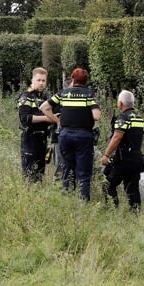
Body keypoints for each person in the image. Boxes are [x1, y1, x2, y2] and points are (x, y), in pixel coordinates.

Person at [41, 67, 101, 199]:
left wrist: (57, 121)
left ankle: (67, 198)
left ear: (73, 79)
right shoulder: (89, 94)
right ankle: (83, 201)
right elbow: (96, 116)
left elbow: (44, 107)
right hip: (84, 136)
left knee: (67, 168)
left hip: (65, 135)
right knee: (84, 172)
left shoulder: (63, 93)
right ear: (86, 81)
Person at [100, 89, 144, 210]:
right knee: (132, 189)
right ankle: (135, 214)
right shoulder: (139, 118)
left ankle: (112, 210)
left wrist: (106, 155)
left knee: (107, 184)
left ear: (121, 103)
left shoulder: (122, 118)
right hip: (136, 159)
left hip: (123, 159)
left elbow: (117, 137)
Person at [17, 67, 53, 182]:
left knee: (40, 174)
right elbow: (25, 118)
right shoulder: (26, 96)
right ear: (32, 80)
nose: (41, 83)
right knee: (29, 174)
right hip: (30, 138)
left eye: (43, 80)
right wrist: (47, 118)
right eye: (38, 80)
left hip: (42, 139)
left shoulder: (45, 97)